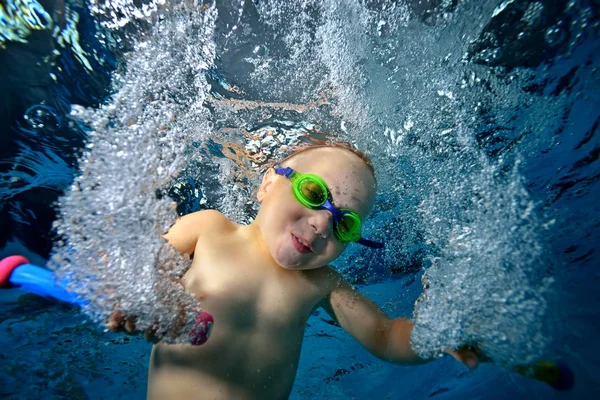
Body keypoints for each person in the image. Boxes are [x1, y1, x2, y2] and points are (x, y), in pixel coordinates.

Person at [109, 141, 480, 399]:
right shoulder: (209, 229)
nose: (322, 223)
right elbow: (146, 264)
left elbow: (383, 335)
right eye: (316, 194)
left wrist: (436, 334)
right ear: (269, 183)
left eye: (344, 224)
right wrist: (142, 299)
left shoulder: (321, 284)